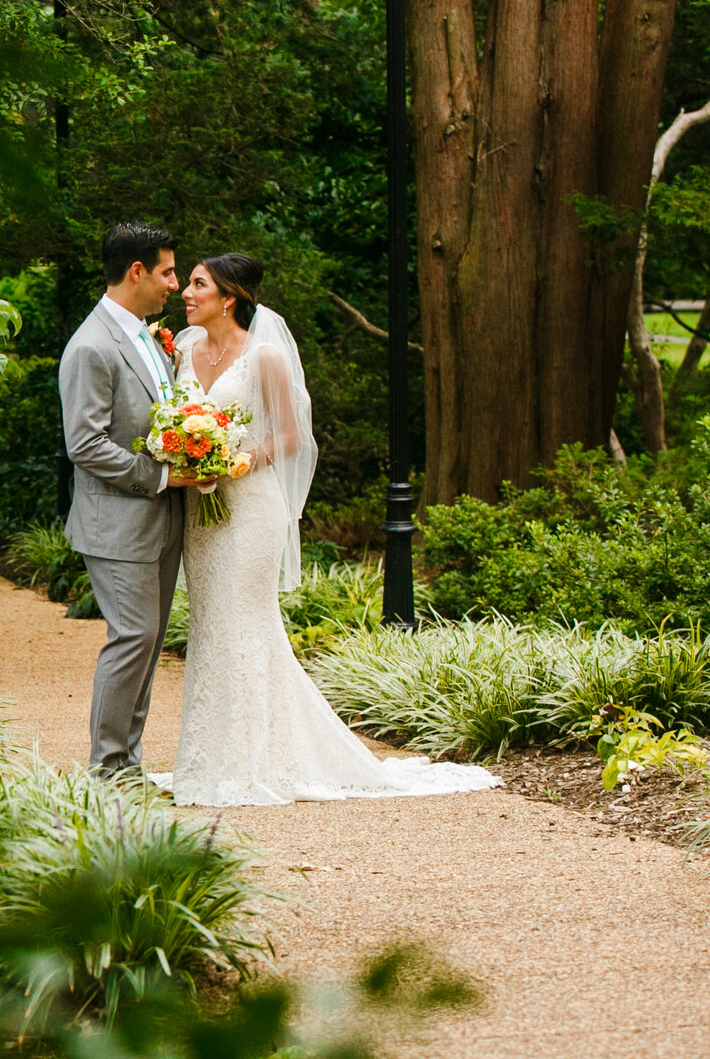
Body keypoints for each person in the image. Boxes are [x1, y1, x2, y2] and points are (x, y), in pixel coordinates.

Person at [158, 253, 499, 806]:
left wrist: (238, 463)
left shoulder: (263, 356)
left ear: (229, 297)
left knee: (245, 623)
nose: (186, 293)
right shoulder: (183, 351)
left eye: (198, 285)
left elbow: (293, 437)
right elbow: (173, 423)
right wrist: (188, 458)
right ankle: (211, 758)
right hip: (202, 514)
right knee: (211, 626)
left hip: (250, 509)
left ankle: (250, 763)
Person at [58, 222, 192, 774]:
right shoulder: (91, 345)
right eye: (166, 272)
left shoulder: (146, 335)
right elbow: (84, 444)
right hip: (119, 522)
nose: (175, 285)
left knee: (147, 642)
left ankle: (127, 764)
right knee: (132, 637)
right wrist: (159, 477)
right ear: (136, 271)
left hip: (162, 520)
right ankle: (108, 769)